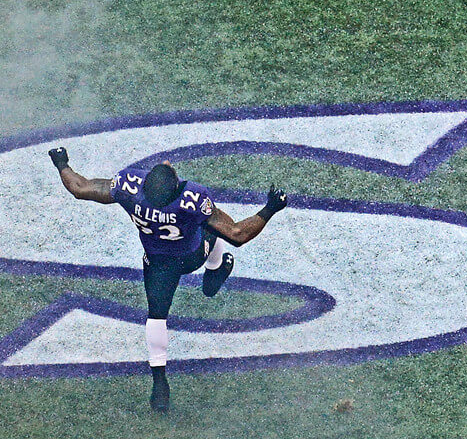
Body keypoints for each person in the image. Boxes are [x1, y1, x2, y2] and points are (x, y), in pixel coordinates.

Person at [47, 150, 287, 413]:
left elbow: (79, 187)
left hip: (157, 264)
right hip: (190, 257)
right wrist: (270, 208)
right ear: (174, 189)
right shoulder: (191, 199)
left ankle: (159, 384)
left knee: (156, 317)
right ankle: (214, 271)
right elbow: (238, 234)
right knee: (211, 225)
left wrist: (61, 163)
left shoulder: (130, 188)